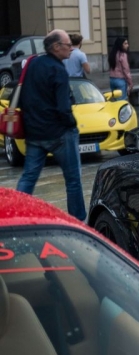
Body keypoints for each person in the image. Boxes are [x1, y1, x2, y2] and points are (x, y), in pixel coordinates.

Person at [16, 31, 86, 221]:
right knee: (73, 181)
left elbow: (24, 97)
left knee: (28, 177)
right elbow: (63, 107)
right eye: (68, 44)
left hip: (35, 133)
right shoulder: (58, 70)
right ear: (56, 47)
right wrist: (72, 125)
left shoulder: (33, 64)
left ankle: (15, 213)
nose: (71, 48)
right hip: (59, 134)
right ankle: (78, 220)